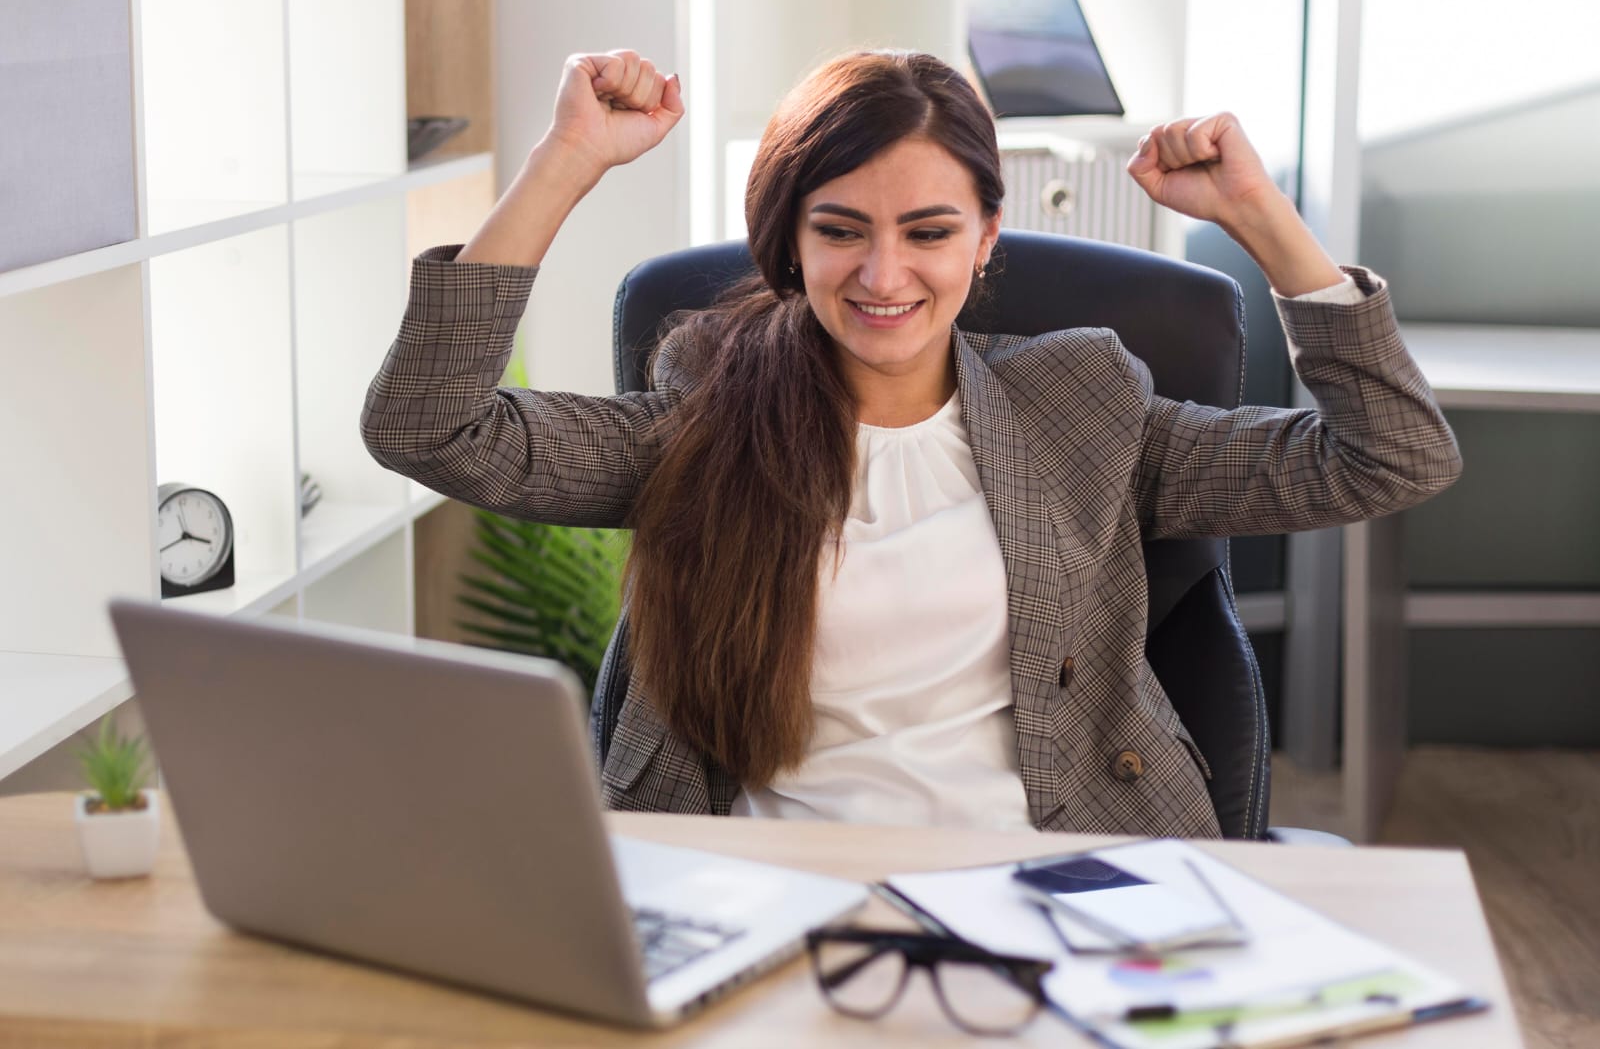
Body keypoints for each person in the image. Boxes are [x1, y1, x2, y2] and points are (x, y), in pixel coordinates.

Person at [362, 49, 1461, 838]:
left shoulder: (1080, 406)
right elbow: (428, 424)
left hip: (1049, 881)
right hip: (767, 889)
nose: (883, 278)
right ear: (788, 242)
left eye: (928, 232)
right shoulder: (698, 409)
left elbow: (1392, 454)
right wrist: (564, 159)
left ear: (986, 238)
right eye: (838, 231)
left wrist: (1262, 216)